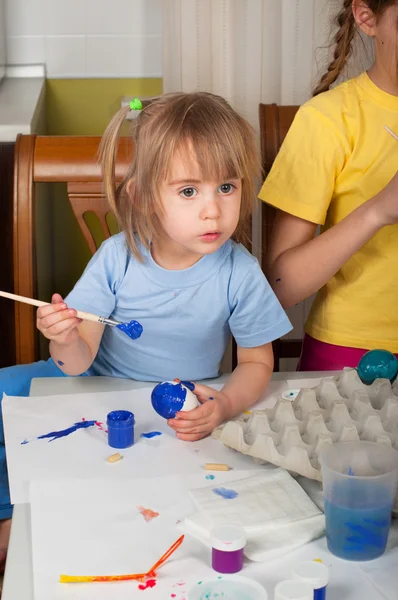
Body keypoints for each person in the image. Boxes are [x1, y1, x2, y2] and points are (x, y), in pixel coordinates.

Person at [0, 91, 292, 566]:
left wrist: (226, 403)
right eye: (188, 191)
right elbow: (76, 364)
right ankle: (11, 514)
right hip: (94, 385)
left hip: (178, 408)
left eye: (227, 187)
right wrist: (64, 337)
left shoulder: (239, 270)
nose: (213, 211)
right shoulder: (117, 258)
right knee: (4, 393)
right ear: (142, 197)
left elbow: (258, 361)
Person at [259, 0, 398, 371]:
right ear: (367, 17)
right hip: (355, 354)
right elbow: (279, 285)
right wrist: (378, 211)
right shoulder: (326, 120)